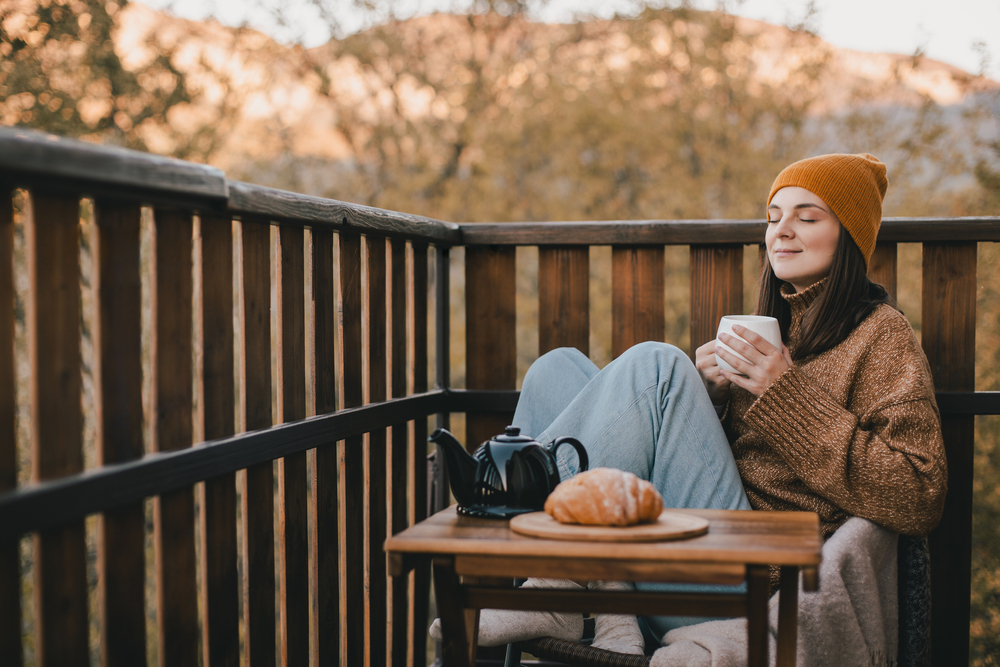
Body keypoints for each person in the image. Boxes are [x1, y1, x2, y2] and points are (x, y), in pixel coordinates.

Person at [429, 153, 948, 654]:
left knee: (659, 366)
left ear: (850, 236)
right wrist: (714, 400)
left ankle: (546, 577)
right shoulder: (777, 325)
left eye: (806, 217)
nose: (781, 230)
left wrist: (783, 394)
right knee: (554, 369)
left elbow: (919, 493)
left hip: (751, 582)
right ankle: (561, 584)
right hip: (700, 541)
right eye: (773, 217)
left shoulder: (882, 336)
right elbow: (729, 462)